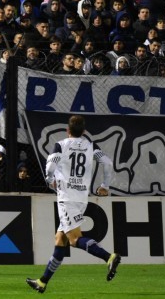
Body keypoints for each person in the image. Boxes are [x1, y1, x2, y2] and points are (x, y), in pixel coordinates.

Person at [26, 115, 119, 294]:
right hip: (81, 198)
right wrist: (105, 186)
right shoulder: (91, 146)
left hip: (66, 198)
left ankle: (109, 257)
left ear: (67, 130)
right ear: (84, 131)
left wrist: (49, 179)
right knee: (60, 239)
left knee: (75, 239)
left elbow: (50, 165)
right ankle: (42, 281)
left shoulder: (61, 145)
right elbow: (106, 163)